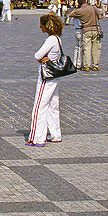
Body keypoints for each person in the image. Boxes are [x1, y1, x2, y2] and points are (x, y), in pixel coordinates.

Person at [28, 13, 64, 146]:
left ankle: (37, 137)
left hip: (46, 76)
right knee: (53, 105)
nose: (40, 27)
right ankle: (55, 134)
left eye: (41, 25)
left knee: (40, 105)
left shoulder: (50, 40)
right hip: (55, 76)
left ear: (46, 26)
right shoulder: (58, 38)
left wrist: (40, 58)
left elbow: (37, 55)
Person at [67, 0, 103, 71]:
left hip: (86, 30)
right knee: (95, 48)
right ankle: (95, 65)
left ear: (79, 4)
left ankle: (86, 66)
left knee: (87, 48)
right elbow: (100, 16)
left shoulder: (80, 11)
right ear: (86, 1)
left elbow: (70, 14)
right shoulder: (93, 8)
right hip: (96, 29)